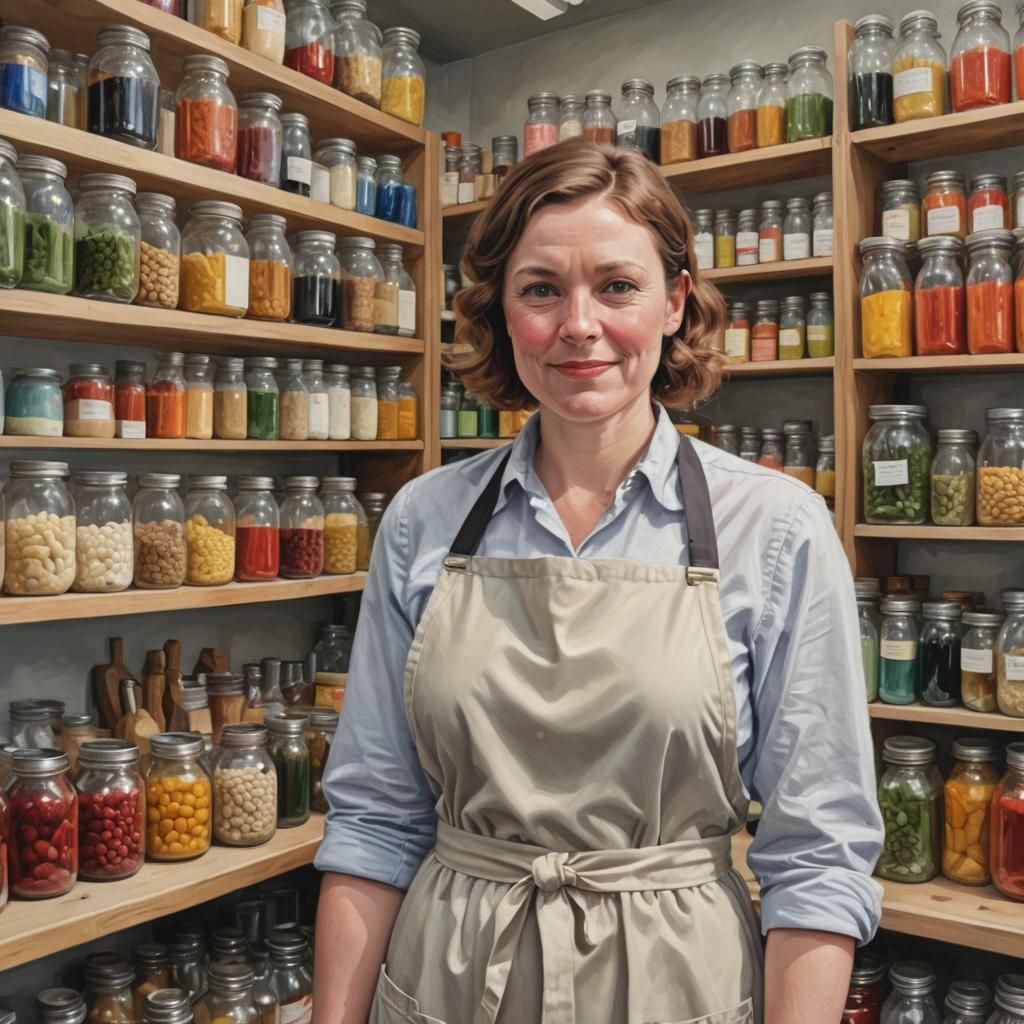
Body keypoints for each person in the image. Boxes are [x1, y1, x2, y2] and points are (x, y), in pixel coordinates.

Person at [313, 138, 883, 1024]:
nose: (579, 324)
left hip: (676, 982)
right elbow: (376, 818)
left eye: (617, 285)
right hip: (450, 976)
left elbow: (816, 853)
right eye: (541, 288)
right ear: (502, 311)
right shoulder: (424, 519)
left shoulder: (775, 528)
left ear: (673, 303)